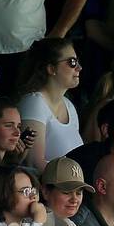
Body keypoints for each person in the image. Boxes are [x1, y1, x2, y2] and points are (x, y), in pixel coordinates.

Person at [16, 38, 83, 167]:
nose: (79, 68)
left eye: (77, 61)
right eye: (72, 62)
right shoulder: (33, 103)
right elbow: (34, 163)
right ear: (51, 68)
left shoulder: (69, 105)